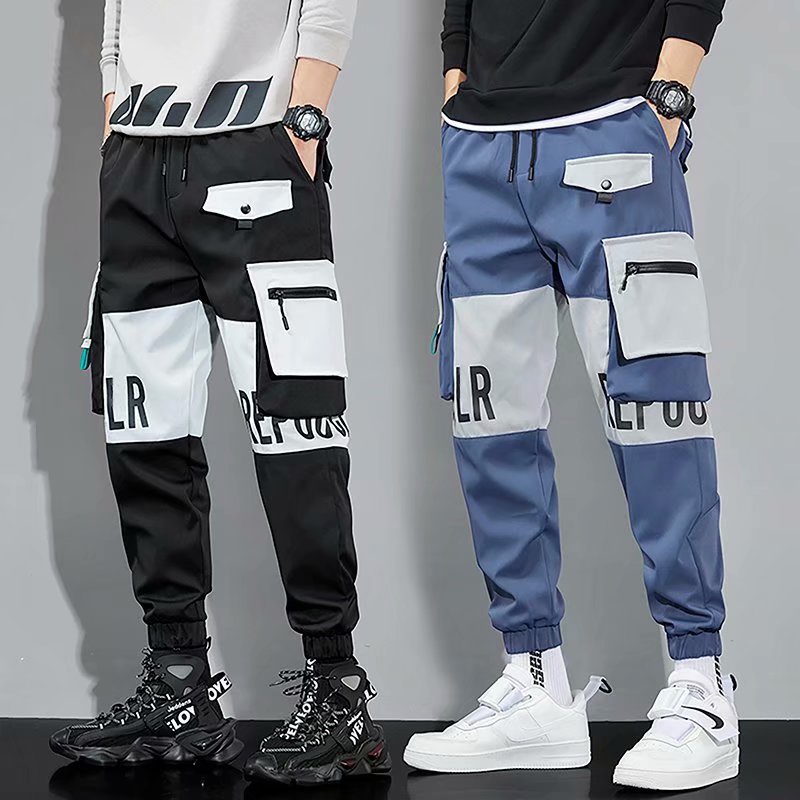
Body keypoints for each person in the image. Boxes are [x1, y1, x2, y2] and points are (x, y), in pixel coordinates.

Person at [50, 0, 391, 786]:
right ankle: (180, 688)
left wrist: (304, 118)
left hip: (256, 144)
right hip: (138, 158)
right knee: (146, 434)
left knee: (296, 431)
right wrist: (115, 118)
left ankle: (338, 690)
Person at [405, 0, 738, 791]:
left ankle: (703, 684)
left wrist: (668, 96)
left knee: (657, 416)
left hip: (615, 124)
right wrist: (457, 79)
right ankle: (536, 683)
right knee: (489, 423)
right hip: (482, 144)